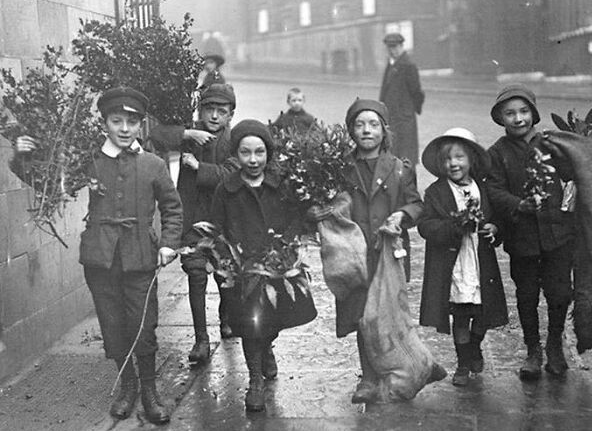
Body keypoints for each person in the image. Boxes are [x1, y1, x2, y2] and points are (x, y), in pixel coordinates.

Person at [9, 86, 183, 424]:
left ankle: (149, 390)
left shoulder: (153, 165)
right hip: (101, 259)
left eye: (131, 122)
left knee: (143, 327)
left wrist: (168, 243)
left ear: (140, 125)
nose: (124, 128)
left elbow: (173, 209)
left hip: (140, 258)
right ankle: (128, 385)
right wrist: (21, 156)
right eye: (116, 120)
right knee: (113, 325)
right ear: (104, 122)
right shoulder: (89, 161)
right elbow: (47, 183)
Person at [309, 98, 424, 403]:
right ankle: (369, 377)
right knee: (362, 316)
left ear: (384, 131)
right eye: (359, 124)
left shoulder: (399, 169)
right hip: (353, 255)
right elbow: (324, 200)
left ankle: (396, 370)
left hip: (387, 253)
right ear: (350, 131)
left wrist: (402, 215)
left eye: (373, 124)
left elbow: (415, 203)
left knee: (387, 314)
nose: (366, 130)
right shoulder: (338, 168)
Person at [210, 119, 316, 412]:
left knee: (272, 321)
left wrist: (287, 246)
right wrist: (224, 258)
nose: (253, 160)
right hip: (243, 271)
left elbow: (297, 217)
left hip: (275, 267)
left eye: (259, 152)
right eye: (245, 153)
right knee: (249, 325)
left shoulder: (280, 185)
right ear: (236, 155)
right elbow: (216, 227)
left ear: (268, 153)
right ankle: (255, 379)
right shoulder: (226, 189)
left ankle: (267, 346)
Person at [486, 84, 575, 379]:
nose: (518, 118)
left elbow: (572, 174)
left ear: (534, 114)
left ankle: (554, 345)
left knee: (559, 292)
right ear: (501, 118)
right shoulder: (497, 153)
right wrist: (518, 204)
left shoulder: (551, 145)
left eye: (524, 111)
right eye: (510, 113)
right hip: (521, 237)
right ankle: (533, 349)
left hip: (556, 234)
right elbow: (493, 189)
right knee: (526, 294)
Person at [149, 83, 238, 364]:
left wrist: (200, 168)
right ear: (201, 111)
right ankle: (201, 338)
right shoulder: (191, 135)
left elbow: (232, 174)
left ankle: (226, 317)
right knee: (196, 276)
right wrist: (187, 133)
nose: (213, 116)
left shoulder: (235, 141)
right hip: (192, 219)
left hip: (223, 223)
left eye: (220, 111)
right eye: (208, 109)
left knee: (225, 277)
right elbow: (155, 135)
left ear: (230, 115)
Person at [418, 128, 508, 385]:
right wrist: (454, 227)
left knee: (482, 316)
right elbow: (426, 226)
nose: (453, 163)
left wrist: (494, 228)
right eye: (447, 159)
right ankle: (463, 364)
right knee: (460, 315)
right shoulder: (436, 192)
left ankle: (474, 348)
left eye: (459, 157)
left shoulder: (482, 188)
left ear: (471, 160)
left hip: (480, 262)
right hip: (455, 265)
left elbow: (495, 218)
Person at [379, 33, 425, 165]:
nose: (392, 51)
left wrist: (410, 109)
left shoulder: (408, 65)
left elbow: (417, 92)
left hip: (404, 118)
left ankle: (409, 185)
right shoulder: (391, 64)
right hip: (391, 116)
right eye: (389, 48)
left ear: (401, 46)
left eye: (395, 47)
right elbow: (385, 89)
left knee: (406, 156)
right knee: (392, 154)